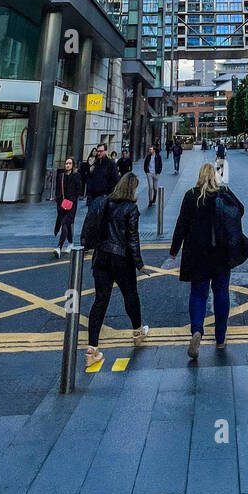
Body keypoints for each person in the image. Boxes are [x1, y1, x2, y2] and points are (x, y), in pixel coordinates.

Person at [168, 162, 248, 358]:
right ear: (215, 177)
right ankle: (220, 338)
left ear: (199, 176)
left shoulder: (191, 195)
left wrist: (174, 249)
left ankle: (197, 330)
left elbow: (181, 224)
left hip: (197, 253)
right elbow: (240, 209)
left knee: (198, 294)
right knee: (221, 292)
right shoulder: (222, 193)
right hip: (221, 252)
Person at [83, 173, 149, 369]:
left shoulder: (104, 203)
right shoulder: (131, 208)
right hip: (122, 259)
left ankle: (92, 349)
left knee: (100, 301)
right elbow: (133, 239)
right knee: (130, 295)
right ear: (132, 189)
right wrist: (139, 263)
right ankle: (137, 332)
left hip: (101, 257)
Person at [52, 157, 82, 256]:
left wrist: (73, 199)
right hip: (61, 204)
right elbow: (58, 189)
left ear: (72, 165)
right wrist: (58, 200)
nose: (67, 165)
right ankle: (70, 243)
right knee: (67, 224)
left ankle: (59, 247)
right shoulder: (61, 176)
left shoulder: (76, 176)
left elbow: (79, 189)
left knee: (65, 223)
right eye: (66, 163)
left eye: (69, 163)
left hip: (72, 205)